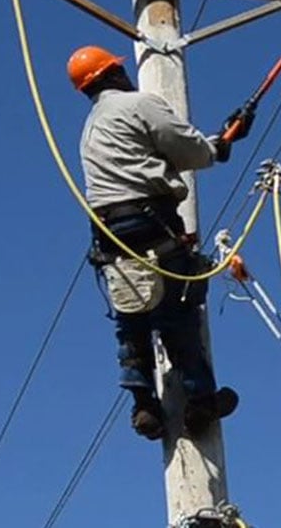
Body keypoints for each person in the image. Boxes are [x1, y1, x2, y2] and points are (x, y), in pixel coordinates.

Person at [69, 45, 252, 440]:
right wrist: (218, 147)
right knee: (177, 308)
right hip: (151, 222)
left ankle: (144, 407)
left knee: (132, 319)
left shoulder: (92, 126)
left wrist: (215, 142)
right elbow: (189, 150)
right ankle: (200, 401)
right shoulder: (137, 104)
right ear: (113, 74)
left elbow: (146, 158)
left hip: (111, 235)